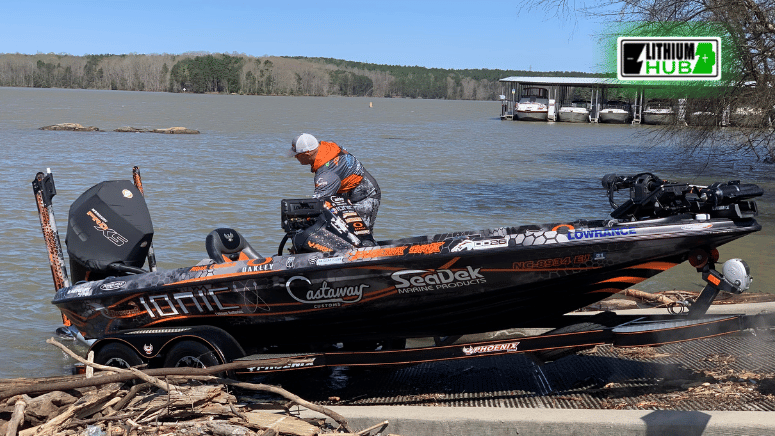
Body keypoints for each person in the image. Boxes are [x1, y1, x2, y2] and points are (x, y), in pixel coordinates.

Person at [289, 133, 381, 229]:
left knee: (359, 234)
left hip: (365, 196)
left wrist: (300, 219)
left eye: (297, 155)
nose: (295, 157)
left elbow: (317, 204)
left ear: (307, 154)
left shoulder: (327, 175)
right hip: (344, 193)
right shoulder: (327, 146)